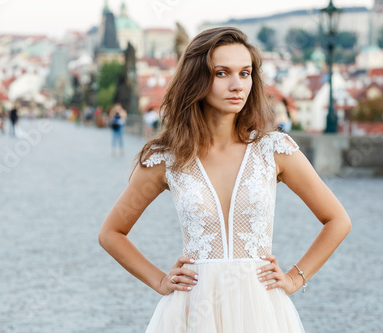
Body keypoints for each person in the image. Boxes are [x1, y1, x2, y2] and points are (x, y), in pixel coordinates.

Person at [98, 27, 351, 332]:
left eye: (245, 73)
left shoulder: (274, 150)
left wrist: (296, 277)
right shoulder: (167, 157)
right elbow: (111, 232)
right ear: (197, 78)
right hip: (193, 310)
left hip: (260, 310)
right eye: (222, 73)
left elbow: (337, 220)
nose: (237, 85)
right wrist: (159, 280)